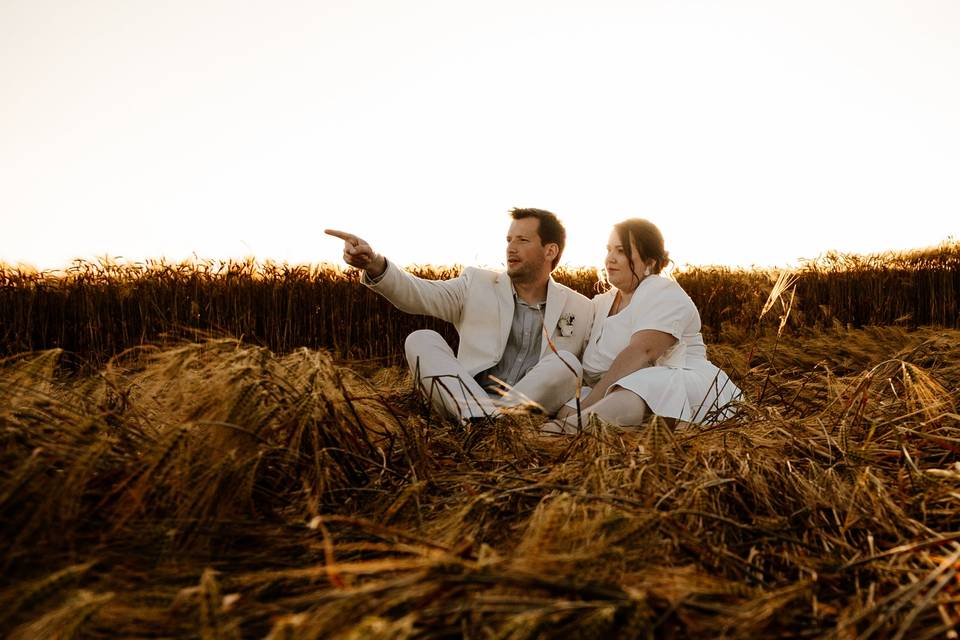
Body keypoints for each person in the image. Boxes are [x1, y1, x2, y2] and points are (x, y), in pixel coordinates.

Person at [325, 208, 594, 423]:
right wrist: (374, 263)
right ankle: (482, 418)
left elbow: (593, 372)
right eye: (509, 240)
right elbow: (417, 293)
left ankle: (491, 421)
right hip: (463, 399)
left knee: (568, 363)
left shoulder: (580, 307)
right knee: (420, 339)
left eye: (522, 240)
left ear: (550, 250)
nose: (511, 248)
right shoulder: (476, 284)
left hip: (528, 409)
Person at [544, 218, 741, 433]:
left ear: (650, 262)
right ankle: (588, 424)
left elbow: (643, 351)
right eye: (609, 249)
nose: (610, 258)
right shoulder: (601, 303)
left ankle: (555, 432)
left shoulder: (662, 291)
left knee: (633, 391)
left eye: (621, 250)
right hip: (615, 387)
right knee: (567, 405)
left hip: (676, 382)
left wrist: (590, 402)